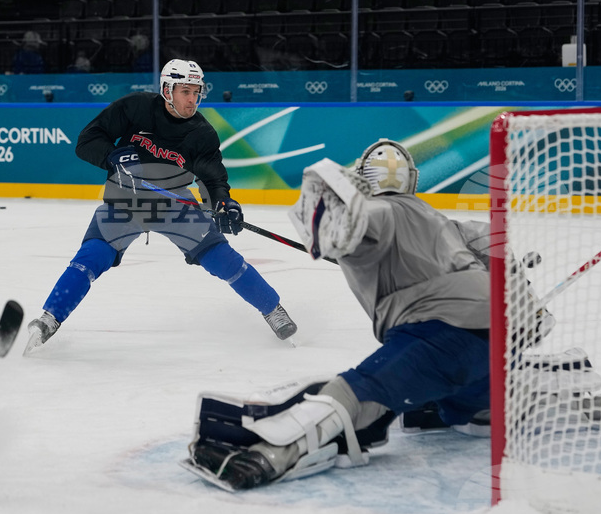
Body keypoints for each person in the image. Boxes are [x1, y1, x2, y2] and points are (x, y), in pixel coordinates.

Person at [184, 139, 495, 490]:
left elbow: (357, 222)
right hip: (496, 338)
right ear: (412, 178)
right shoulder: (439, 219)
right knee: (468, 408)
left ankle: (269, 455)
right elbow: (494, 245)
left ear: (364, 179)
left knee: (353, 392)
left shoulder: (381, 212)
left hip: (440, 336)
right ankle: (480, 405)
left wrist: (336, 229)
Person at [23, 59, 297, 355]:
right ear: (167, 90)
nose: (192, 99)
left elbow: (213, 177)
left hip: (174, 202)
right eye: (185, 91)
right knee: (93, 254)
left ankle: (273, 309)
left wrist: (223, 203)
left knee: (221, 256)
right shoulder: (136, 107)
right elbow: (87, 141)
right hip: (125, 197)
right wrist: (113, 156)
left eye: (197, 92)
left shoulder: (202, 133)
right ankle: (49, 319)